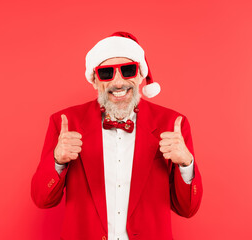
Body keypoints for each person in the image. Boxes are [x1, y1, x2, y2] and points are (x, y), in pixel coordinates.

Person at [31, 31, 202, 240]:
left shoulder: (173, 124)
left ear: (140, 75)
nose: (118, 82)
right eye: (106, 73)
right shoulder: (65, 123)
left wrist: (186, 164)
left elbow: (188, 209)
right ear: (94, 80)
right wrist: (57, 161)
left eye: (128, 70)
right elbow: (42, 199)